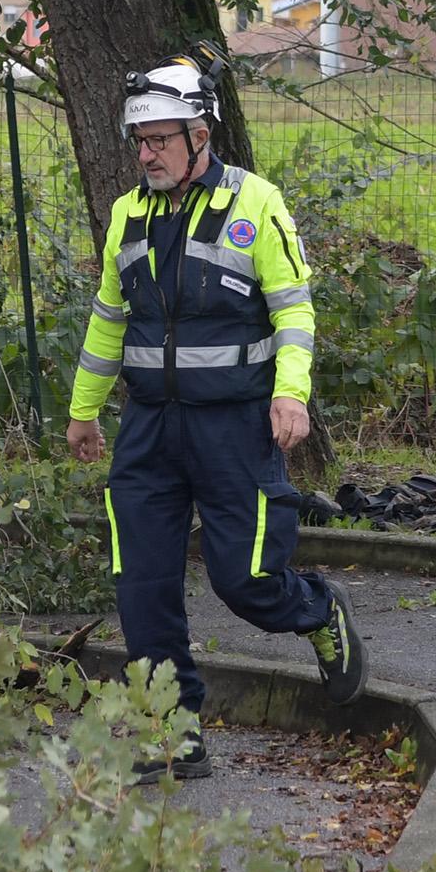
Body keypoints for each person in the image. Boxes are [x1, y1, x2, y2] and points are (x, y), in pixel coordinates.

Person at [65, 50, 366, 780]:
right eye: (140, 142)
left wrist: (290, 393)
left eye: (161, 139)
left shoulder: (255, 203)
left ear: (201, 134)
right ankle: (173, 733)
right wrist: (83, 410)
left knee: (246, 578)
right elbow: (111, 317)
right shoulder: (127, 216)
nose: (147, 154)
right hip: (148, 433)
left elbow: (293, 311)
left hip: (234, 428)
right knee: (141, 583)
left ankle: (318, 614)